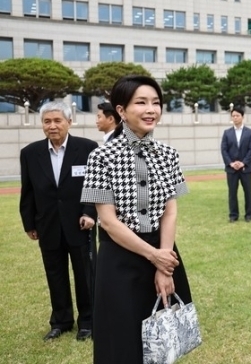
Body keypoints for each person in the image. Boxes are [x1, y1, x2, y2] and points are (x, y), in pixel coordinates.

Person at [81, 75, 193, 363]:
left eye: (156, 103)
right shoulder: (101, 156)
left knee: (162, 340)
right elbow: (108, 221)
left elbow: (170, 210)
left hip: (164, 252)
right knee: (120, 341)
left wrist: (164, 264)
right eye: (141, 102)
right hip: (120, 258)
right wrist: (154, 256)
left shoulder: (168, 154)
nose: (151, 109)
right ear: (121, 110)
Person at [19, 101, 98, 341]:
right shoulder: (30, 153)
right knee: (55, 274)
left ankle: (88, 321)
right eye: (47, 121)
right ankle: (61, 321)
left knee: (85, 275)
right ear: (42, 124)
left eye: (57, 121)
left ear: (68, 122)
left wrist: (89, 213)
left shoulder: (87, 148)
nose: (52, 126)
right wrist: (29, 223)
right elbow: (28, 191)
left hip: (80, 224)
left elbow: (94, 186)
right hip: (48, 225)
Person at [221, 106, 251, 222]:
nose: (235, 118)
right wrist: (230, 163)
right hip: (231, 169)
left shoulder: (250, 132)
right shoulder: (227, 133)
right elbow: (224, 149)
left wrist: (243, 162)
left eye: (237, 116)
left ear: (242, 117)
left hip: (245, 168)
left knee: (248, 192)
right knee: (232, 193)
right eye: (233, 116)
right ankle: (233, 215)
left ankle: (249, 215)